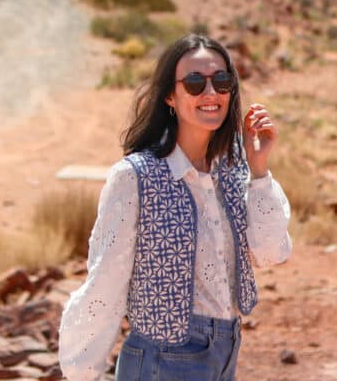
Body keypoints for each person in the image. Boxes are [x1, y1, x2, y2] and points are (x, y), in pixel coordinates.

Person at [59, 33, 292, 381]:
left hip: (224, 355)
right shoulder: (136, 177)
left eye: (222, 81)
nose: (211, 93)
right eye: (195, 83)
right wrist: (81, 373)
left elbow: (272, 253)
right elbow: (104, 282)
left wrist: (259, 170)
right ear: (170, 94)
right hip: (161, 363)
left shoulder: (234, 170)